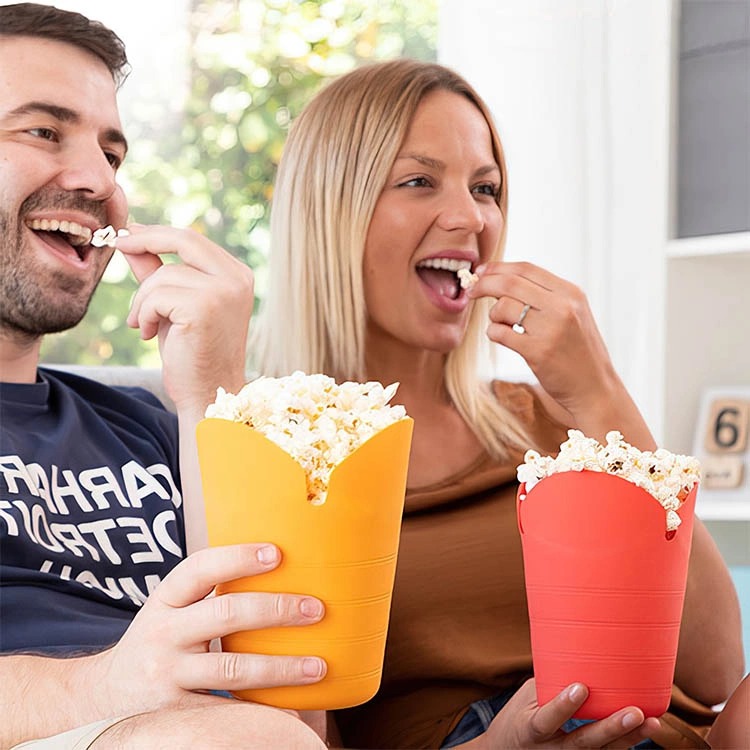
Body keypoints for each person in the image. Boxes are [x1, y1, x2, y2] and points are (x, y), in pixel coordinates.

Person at [251, 58, 749, 749]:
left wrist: (598, 391)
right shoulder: (276, 451)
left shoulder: (544, 417)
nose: (471, 217)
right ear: (330, 210)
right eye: (419, 182)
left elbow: (717, 670)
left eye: (486, 189)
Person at [0, 4, 329, 748]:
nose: (95, 180)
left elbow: (299, 699)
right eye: (43, 131)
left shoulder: (152, 424)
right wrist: (106, 684)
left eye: (112, 154)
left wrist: (210, 394)